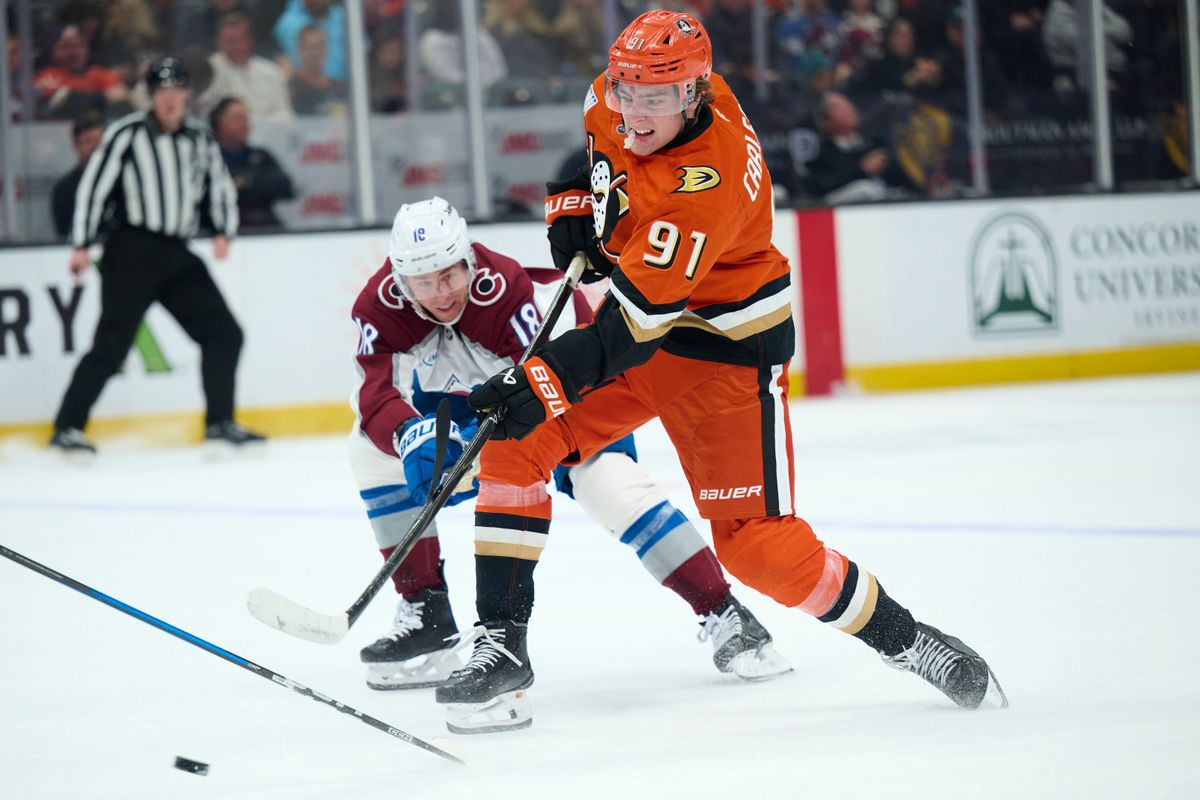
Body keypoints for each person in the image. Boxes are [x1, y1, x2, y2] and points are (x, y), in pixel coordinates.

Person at [450, 9, 1007, 733]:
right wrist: (574, 208)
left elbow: (630, 329)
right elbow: (598, 152)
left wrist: (539, 380)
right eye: (627, 89)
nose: (635, 108)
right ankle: (502, 650)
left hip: (722, 356)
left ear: (695, 92)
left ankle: (912, 642)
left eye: (657, 95)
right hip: (651, 331)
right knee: (516, 445)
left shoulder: (704, 186)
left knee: (758, 550)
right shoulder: (617, 95)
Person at [349, 198, 790, 722]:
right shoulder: (379, 307)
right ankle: (428, 612)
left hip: (570, 403)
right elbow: (376, 396)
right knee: (368, 450)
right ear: (402, 281)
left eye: (451, 274)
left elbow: (545, 393)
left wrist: (466, 447)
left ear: (469, 260)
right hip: (474, 413)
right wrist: (408, 435)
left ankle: (724, 610)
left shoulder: (511, 292)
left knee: (613, 487)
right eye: (425, 282)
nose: (442, 292)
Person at [49, 58, 265, 454]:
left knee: (224, 333)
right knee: (111, 345)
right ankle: (67, 428)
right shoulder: (126, 134)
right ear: (150, 96)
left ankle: (220, 422)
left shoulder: (199, 138)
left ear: (186, 94)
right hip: (131, 249)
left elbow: (218, 186)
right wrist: (81, 244)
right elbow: (95, 188)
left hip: (176, 251)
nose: (169, 99)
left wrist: (222, 230)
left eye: (175, 91)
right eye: (161, 92)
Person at [210, 96, 295, 228]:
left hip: (264, 226)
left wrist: (245, 182)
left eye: (246, 118)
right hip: (220, 230)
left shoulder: (261, 156)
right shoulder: (208, 159)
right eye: (238, 118)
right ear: (220, 122)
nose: (244, 124)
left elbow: (286, 189)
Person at [199, 11, 294, 121]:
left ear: (250, 41)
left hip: (267, 133)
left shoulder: (271, 71)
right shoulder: (207, 69)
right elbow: (204, 111)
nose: (230, 45)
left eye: (235, 40)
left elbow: (285, 113)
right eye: (226, 40)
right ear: (218, 41)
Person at [51, 111, 106, 238]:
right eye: (88, 141)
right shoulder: (64, 189)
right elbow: (64, 232)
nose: (95, 147)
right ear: (76, 145)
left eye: (100, 141)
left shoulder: (121, 182)